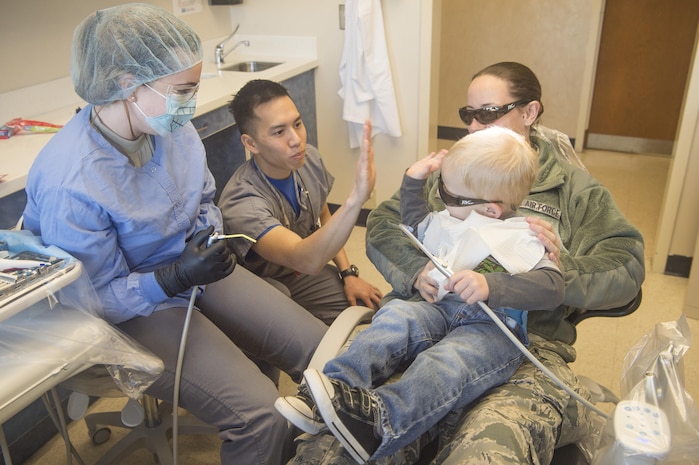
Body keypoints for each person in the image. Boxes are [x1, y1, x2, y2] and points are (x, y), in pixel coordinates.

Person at [288, 62, 645, 464]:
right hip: (430, 314)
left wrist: (546, 267)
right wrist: (417, 270)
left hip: (517, 343)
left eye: (488, 113)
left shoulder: (575, 191)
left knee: (487, 451)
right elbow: (390, 224)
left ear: (529, 112)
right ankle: (338, 402)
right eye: (467, 114)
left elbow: (626, 264)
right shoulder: (456, 169)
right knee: (332, 451)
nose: (473, 126)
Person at [21, 5, 328, 464]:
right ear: (127, 84)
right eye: (182, 91)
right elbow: (91, 297)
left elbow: (204, 198)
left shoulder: (172, 127)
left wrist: (206, 238)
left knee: (323, 353)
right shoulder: (72, 181)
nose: (190, 103)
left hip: (193, 266)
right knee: (262, 415)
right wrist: (170, 280)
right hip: (128, 308)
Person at [278, 126, 565, 464]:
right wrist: (413, 182)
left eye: (451, 196)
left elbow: (552, 287)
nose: (442, 199)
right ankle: (328, 393)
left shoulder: (522, 236)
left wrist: (493, 287)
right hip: (441, 309)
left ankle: (382, 423)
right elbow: (416, 226)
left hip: (493, 329)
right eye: (442, 188)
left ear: (491, 210)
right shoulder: (455, 214)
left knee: (444, 363)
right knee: (395, 318)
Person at [218, 79, 383, 325]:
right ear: (251, 143)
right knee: (297, 334)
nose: (296, 140)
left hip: (297, 273)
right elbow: (304, 259)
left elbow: (324, 217)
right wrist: (356, 198)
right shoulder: (241, 202)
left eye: (297, 124)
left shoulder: (308, 160)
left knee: (371, 309)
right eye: (279, 131)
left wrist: (347, 273)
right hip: (258, 284)